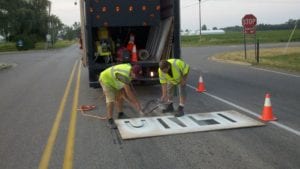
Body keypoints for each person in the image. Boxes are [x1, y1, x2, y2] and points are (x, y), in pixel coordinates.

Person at [99, 63, 143, 129]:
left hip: (115, 81)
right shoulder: (123, 75)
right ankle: (110, 120)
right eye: (135, 75)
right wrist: (136, 103)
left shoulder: (130, 70)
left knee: (120, 97)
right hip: (106, 80)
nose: (136, 77)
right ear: (132, 71)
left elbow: (124, 90)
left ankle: (120, 114)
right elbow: (128, 92)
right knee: (110, 100)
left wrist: (133, 101)